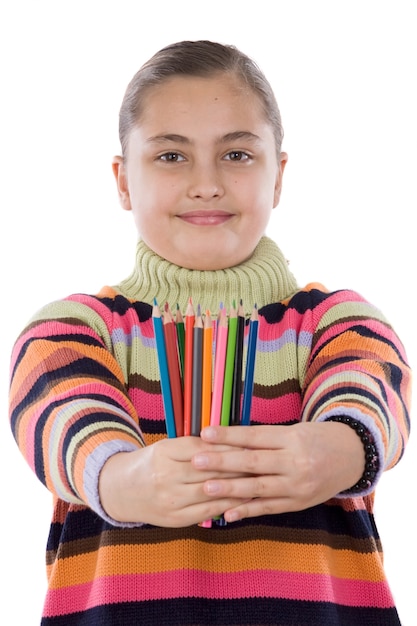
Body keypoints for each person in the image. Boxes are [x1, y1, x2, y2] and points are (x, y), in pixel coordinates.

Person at [9, 40, 411, 626]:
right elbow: (64, 427)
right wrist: (124, 480)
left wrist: (339, 450)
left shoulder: (338, 321)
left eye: (238, 155)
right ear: (123, 181)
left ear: (278, 176)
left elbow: (372, 396)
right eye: (171, 156)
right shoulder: (70, 329)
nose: (206, 183)